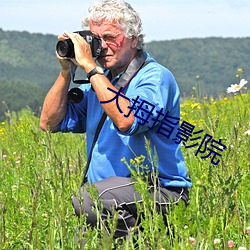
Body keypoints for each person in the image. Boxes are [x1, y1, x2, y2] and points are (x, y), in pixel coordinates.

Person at [40, 0, 192, 244]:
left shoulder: (153, 77)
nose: (102, 47)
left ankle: (146, 241)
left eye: (110, 37)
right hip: (110, 199)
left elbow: (127, 120)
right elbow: (49, 123)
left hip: (159, 191)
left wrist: (90, 67)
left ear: (133, 39)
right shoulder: (99, 83)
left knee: (88, 200)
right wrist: (66, 70)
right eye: (96, 39)